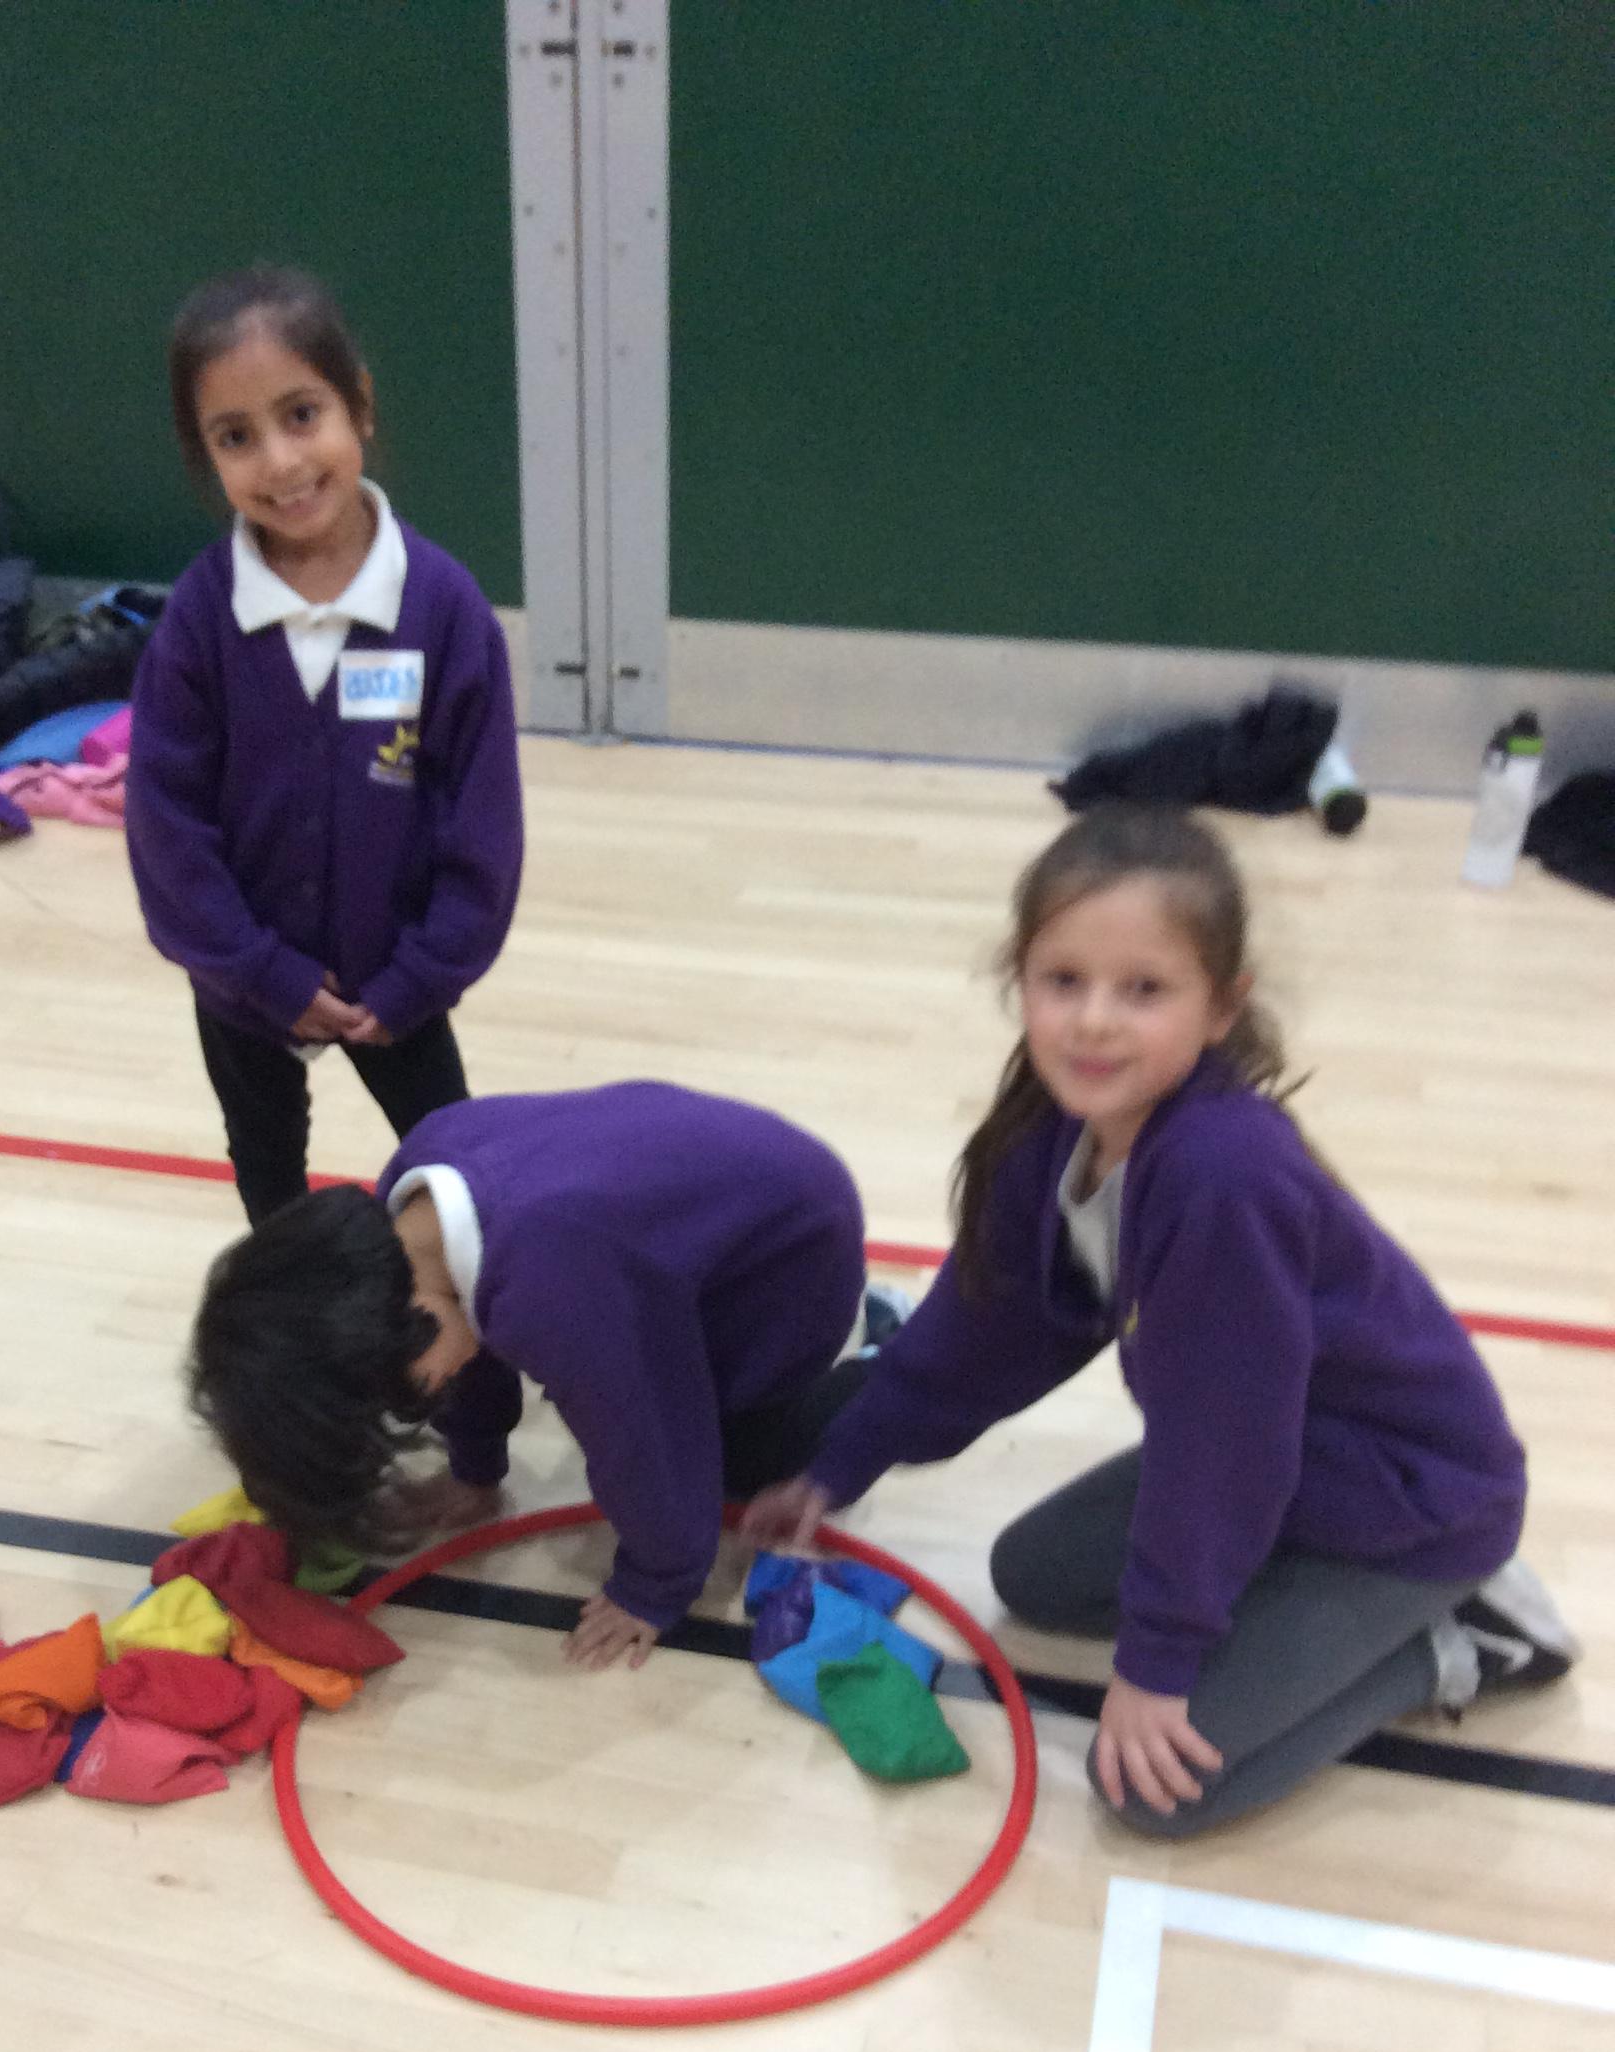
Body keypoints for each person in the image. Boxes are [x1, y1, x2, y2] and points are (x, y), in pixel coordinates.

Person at [745, 803, 1576, 1837]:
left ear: (1222, 1007)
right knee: (1030, 1579)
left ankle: (1463, 1641)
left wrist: (1160, 1661)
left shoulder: (1221, 1176)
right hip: (1281, 1463)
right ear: (1019, 981)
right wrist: (841, 1463)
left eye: (1144, 990)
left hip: (1411, 1505)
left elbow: (1221, 1448)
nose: (1093, 1021)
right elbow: (986, 1325)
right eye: (1064, 981)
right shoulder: (1056, 1122)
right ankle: (1291, 1600)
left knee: (1151, 1793)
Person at [189, 1081, 885, 1669]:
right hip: (695, 1214)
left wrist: (655, 1583)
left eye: (405, 1395)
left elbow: (647, 1436)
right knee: (585, 1347)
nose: (411, 1406)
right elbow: (468, 1331)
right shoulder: (408, 1220)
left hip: (789, 1257)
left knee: (739, 1464)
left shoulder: (555, 1284)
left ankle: (883, 1359)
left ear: (406, 1316)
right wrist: (474, 1469)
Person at [126, 265, 522, 1225]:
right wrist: (257, 971)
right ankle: (289, 1312)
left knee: (456, 1171)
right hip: (243, 991)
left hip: (400, 986)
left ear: (361, 406)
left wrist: (422, 976)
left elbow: (483, 826)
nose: (279, 462)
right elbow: (167, 829)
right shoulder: (198, 621)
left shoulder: (445, 610)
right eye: (236, 436)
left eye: (302, 415)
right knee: (267, 1170)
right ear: (204, 454)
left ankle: (478, 1308)